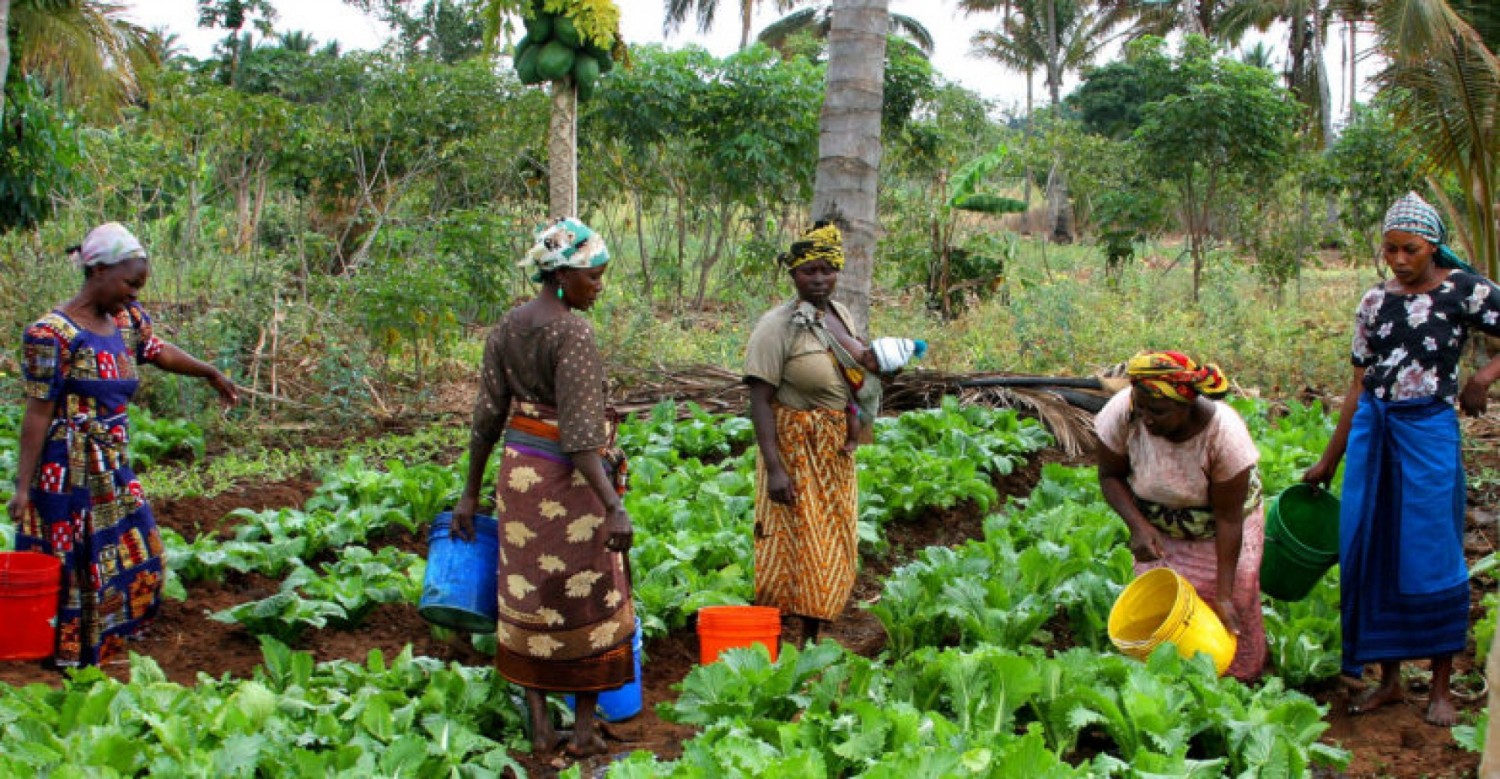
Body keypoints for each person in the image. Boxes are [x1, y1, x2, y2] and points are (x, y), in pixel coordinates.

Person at [1303, 192, 1500, 726]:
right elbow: (1358, 384)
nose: (1398, 260)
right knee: (1372, 546)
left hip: (1429, 430)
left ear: (1432, 246)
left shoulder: (1465, 290)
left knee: (1432, 549)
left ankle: (1439, 686)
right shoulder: (1374, 302)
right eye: (1389, 250)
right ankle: (1389, 681)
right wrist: (1329, 459)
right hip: (1375, 428)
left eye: (1408, 249)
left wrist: (1482, 378)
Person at [6, 222, 239, 667]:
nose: (135, 294)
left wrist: (210, 371)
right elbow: (37, 413)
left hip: (112, 460)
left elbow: (158, 350)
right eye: (129, 283)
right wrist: (22, 487)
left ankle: (108, 643)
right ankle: (65, 655)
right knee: (76, 562)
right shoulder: (50, 334)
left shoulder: (127, 321)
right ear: (97, 271)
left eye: (139, 286)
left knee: (138, 552)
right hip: (66, 469)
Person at [452, 217, 633, 759]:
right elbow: (580, 438)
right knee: (586, 598)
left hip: (520, 478)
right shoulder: (572, 331)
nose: (599, 286)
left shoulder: (508, 327)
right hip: (569, 482)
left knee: (528, 594)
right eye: (594, 277)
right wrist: (614, 506)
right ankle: (580, 734)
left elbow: (487, 417)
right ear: (562, 277)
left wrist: (469, 493)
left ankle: (537, 728)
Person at [1095, 351, 1267, 681]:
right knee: (1163, 608)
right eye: (1140, 406)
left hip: (1222, 528)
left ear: (1186, 405)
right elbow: (1109, 476)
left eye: (1157, 411)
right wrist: (1139, 527)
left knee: (1231, 607)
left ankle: (1241, 683)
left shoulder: (1224, 436)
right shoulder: (1123, 413)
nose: (1145, 418)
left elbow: (1229, 520)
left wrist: (1224, 593)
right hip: (1159, 527)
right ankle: (1169, 684)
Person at [743, 221, 868, 645]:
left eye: (826, 270)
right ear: (792, 274)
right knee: (789, 543)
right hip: (794, 448)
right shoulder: (776, 327)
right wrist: (774, 468)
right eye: (808, 271)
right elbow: (759, 400)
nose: (818, 279)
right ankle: (775, 640)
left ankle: (813, 637)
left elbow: (851, 376)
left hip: (833, 450)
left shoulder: (840, 315)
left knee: (831, 540)